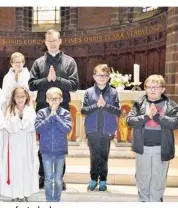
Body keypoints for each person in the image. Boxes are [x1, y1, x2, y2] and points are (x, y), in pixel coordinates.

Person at [28, 29, 79, 189]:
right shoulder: (38, 63)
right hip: (43, 107)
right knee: (43, 143)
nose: (52, 43)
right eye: (49, 40)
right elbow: (31, 84)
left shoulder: (69, 62)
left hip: (62, 108)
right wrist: (46, 80)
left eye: (54, 40)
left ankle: (58, 178)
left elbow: (74, 85)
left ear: (60, 41)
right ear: (45, 42)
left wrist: (57, 79)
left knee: (60, 143)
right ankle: (43, 176)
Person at [126, 74, 178, 202]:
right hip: (142, 147)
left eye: (156, 87)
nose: (152, 90)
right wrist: (146, 116)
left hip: (161, 148)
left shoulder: (171, 104)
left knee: (158, 179)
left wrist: (157, 117)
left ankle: (156, 201)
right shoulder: (139, 104)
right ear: (145, 89)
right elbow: (130, 121)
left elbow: (176, 123)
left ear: (163, 89)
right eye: (149, 87)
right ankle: (144, 201)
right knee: (142, 177)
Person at [81, 64, 121, 192]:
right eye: (99, 75)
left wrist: (105, 105)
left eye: (104, 75)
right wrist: (96, 106)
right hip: (92, 129)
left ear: (108, 77)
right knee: (94, 156)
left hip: (107, 129)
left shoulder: (113, 92)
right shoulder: (88, 92)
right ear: (94, 77)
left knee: (104, 156)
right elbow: (84, 110)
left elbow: (118, 111)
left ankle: (103, 180)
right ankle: (93, 179)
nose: (101, 78)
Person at [1, 86, 39, 202]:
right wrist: (19, 118)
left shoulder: (30, 110)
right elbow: (8, 126)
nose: (20, 99)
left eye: (22, 96)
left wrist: (22, 120)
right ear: (13, 98)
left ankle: (25, 193)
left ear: (26, 97)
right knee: (15, 169)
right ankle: (15, 194)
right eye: (17, 97)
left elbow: (32, 126)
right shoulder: (10, 110)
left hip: (26, 144)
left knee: (25, 168)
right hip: (14, 144)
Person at [34, 87, 72, 202]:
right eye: (51, 99)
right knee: (48, 179)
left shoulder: (65, 113)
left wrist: (55, 116)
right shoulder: (42, 112)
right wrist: (50, 117)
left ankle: (57, 200)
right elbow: (39, 128)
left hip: (60, 151)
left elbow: (67, 129)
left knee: (58, 179)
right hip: (46, 151)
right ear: (46, 100)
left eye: (56, 99)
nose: (53, 101)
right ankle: (49, 200)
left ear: (61, 100)